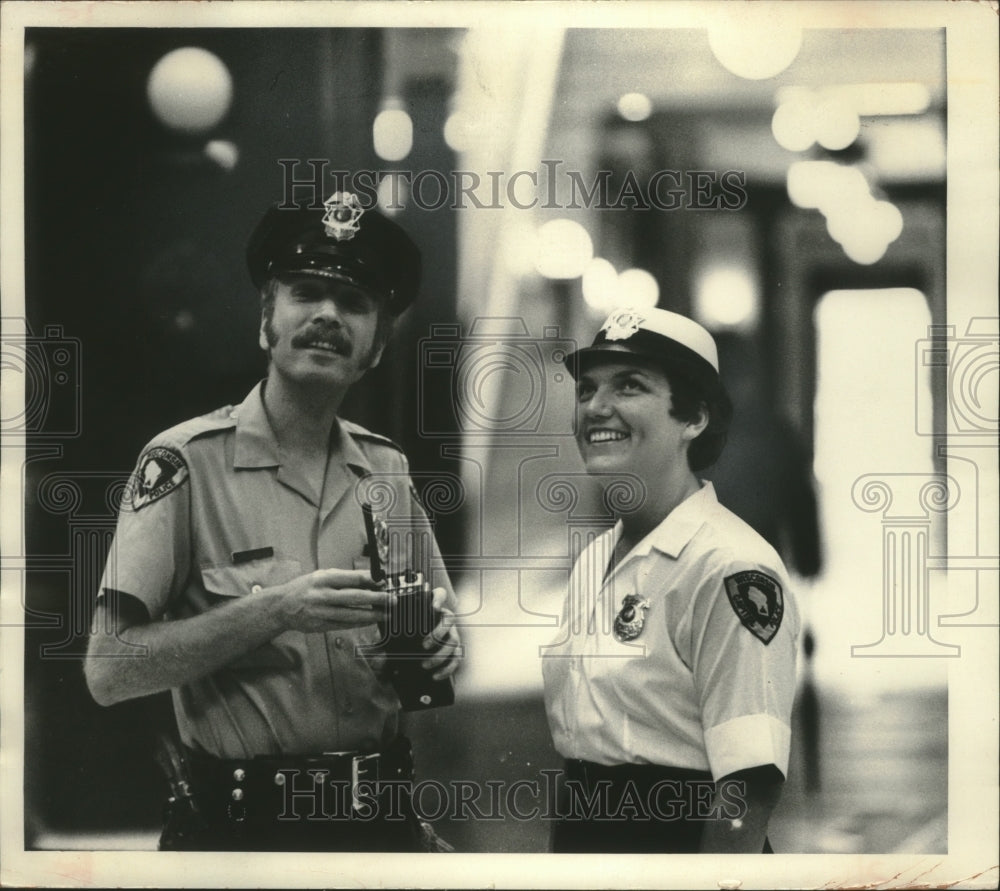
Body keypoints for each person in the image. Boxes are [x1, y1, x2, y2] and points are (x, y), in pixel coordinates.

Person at [85, 192, 462, 852]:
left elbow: (431, 636)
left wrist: (440, 643)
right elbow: (109, 669)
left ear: (376, 343)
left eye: (354, 303)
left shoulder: (387, 473)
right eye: (306, 293)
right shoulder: (183, 464)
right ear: (266, 319)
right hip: (238, 839)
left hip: (379, 828)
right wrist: (276, 610)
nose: (327, 315)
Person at [542, 306, 799, 854]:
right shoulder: (597, 557)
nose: (597, 408)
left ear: (695, 418)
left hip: (677, 848)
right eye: (586, 390)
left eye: (629, 386)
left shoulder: (729, 568)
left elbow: (746, 792)